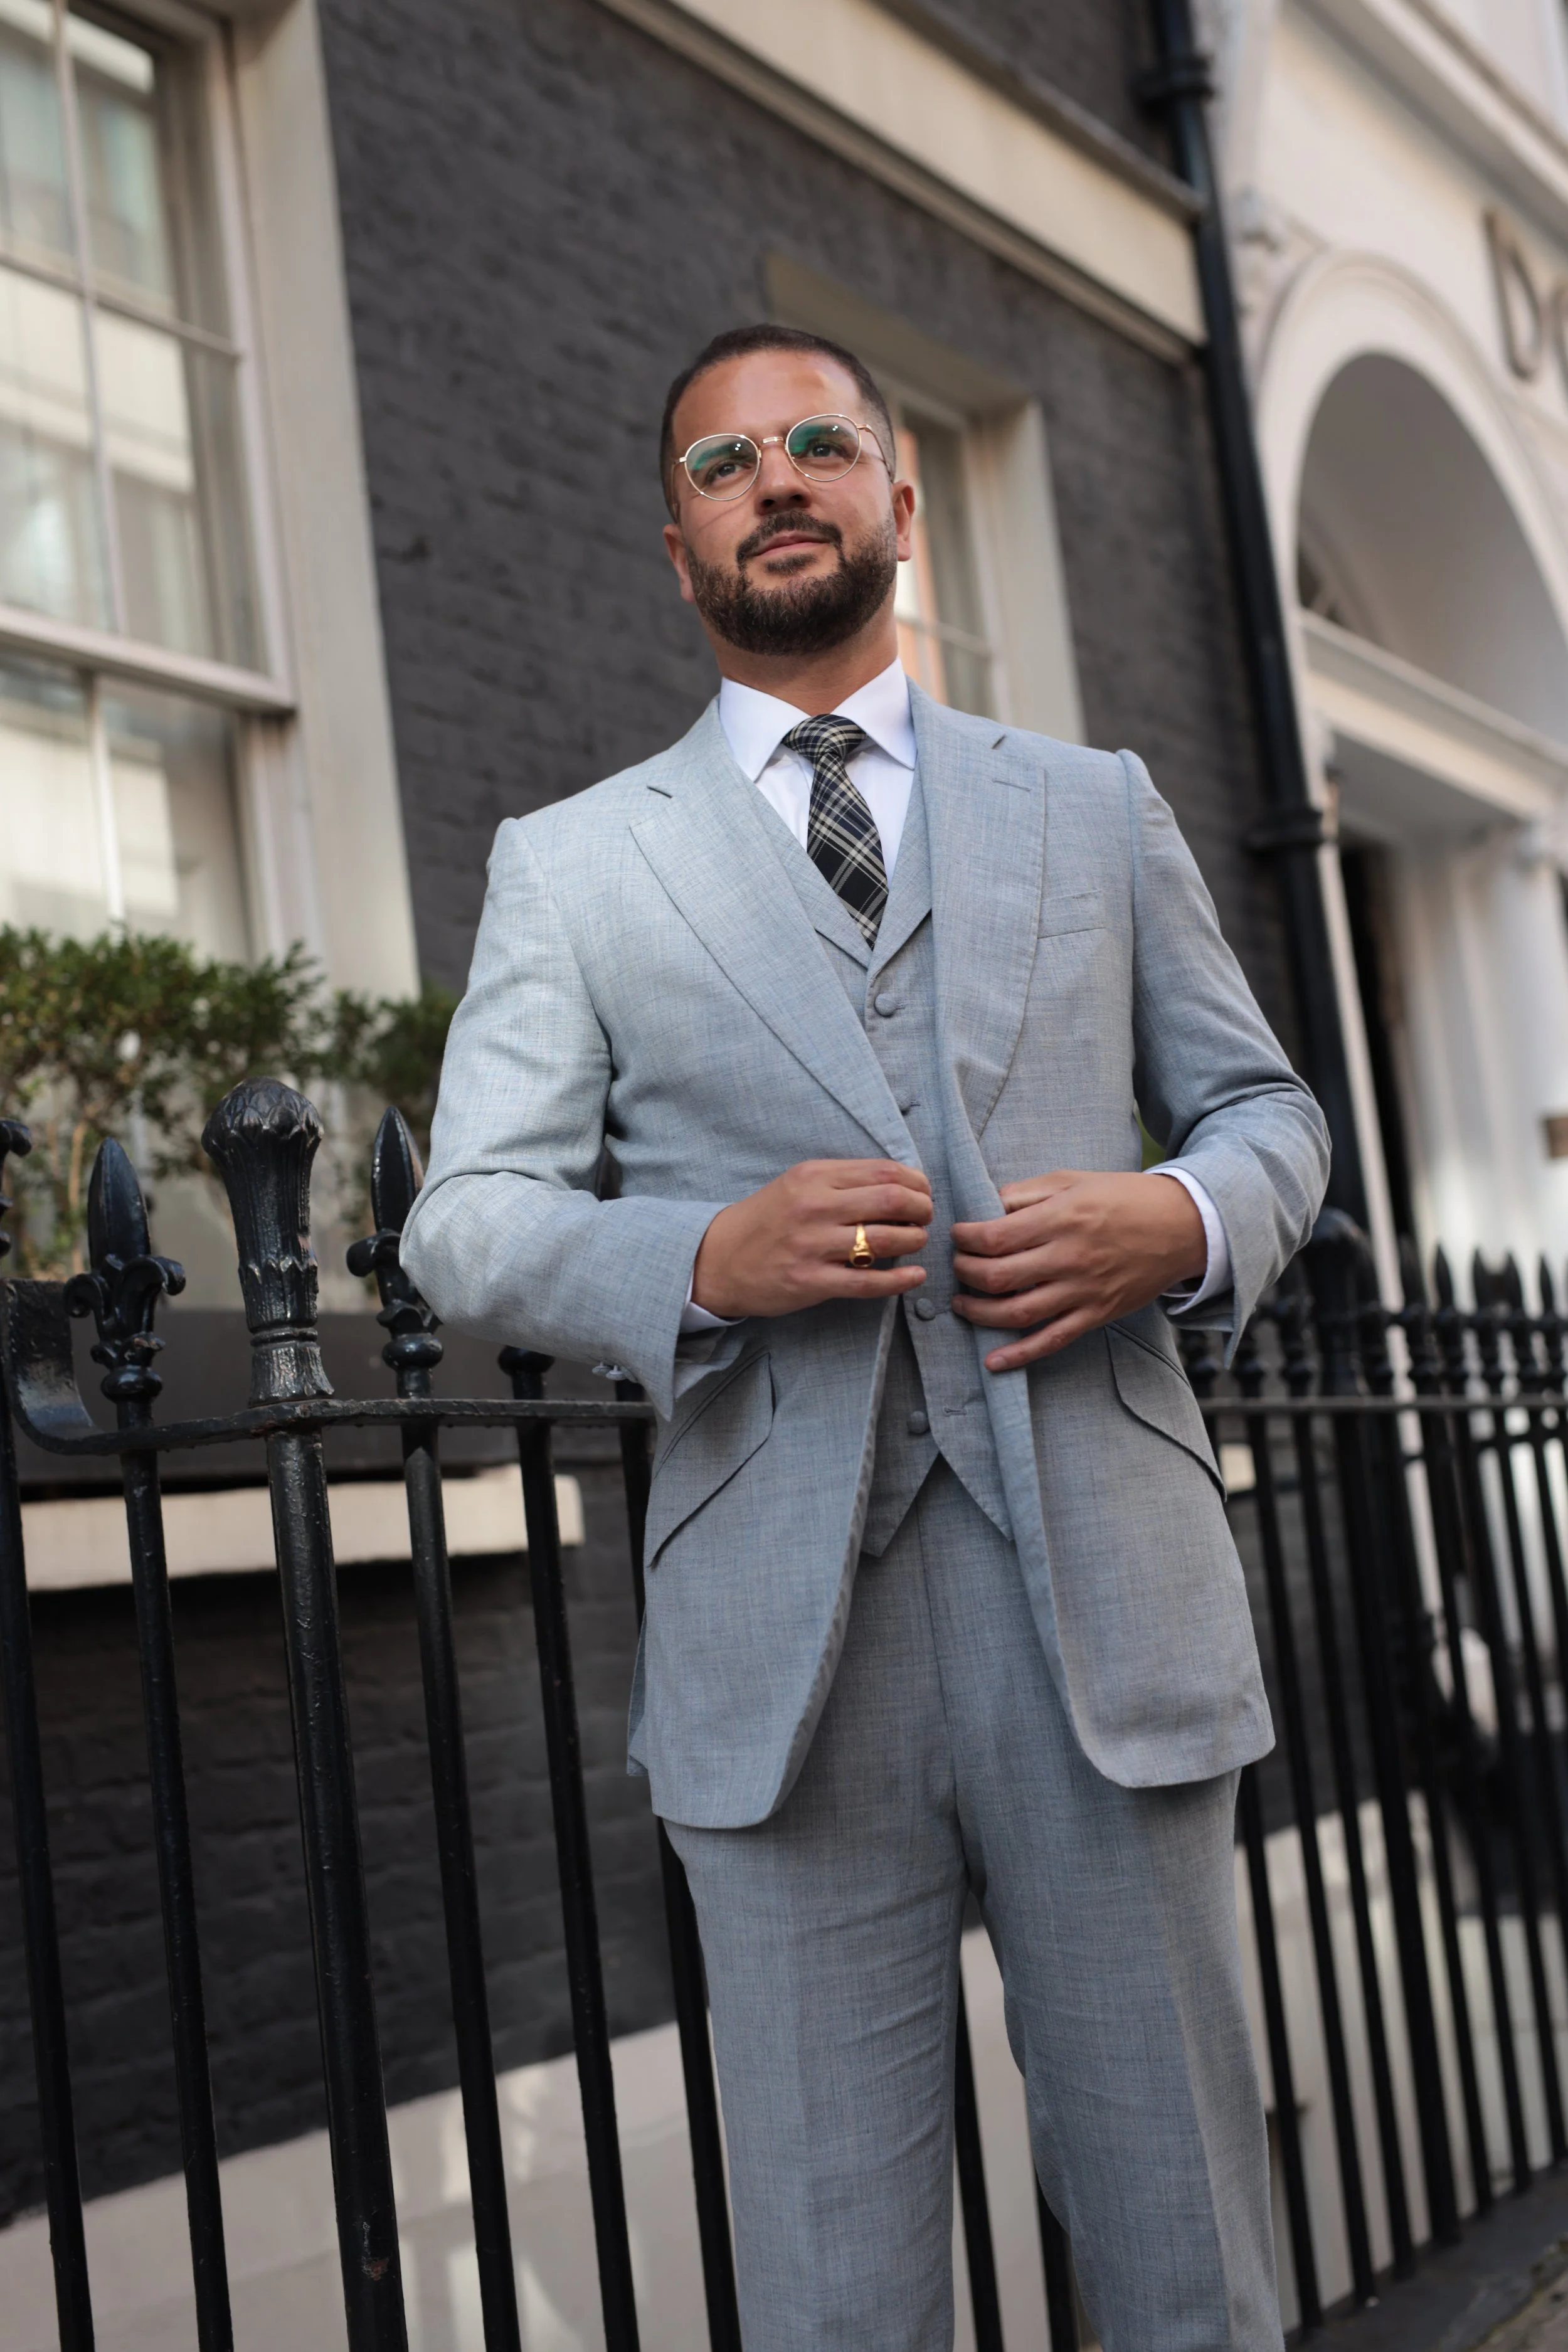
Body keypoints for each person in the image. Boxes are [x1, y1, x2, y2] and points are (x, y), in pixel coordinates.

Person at [401, 322, 1329, 2351]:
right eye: (722, 463)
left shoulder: (1093, 805)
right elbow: (464, 1218)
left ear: (897, 499)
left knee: (1187, 2244)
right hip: (783, 1648)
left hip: (1106, 1597)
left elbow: (1270, 1115)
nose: (776, 478)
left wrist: (1174, 1216)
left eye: (818, 441)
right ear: (676, 545)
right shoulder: (575, 862)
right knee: (836, 2291)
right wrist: (701, 1256)